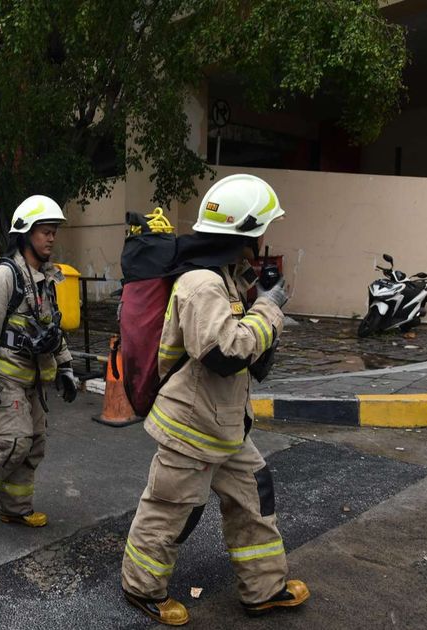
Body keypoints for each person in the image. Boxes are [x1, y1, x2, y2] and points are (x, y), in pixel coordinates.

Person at [119, 174, 307, 626]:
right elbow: (224, 352)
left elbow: (250, 357)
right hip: (191, 427)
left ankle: (263, 589)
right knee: (170, 510)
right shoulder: (201, 283)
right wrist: (270, 309)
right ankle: (141, 588)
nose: (265, 239)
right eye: (262, 229)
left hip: (224, 423)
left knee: (253, 498)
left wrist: (260, 307)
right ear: (245, 231)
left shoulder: (225, 275)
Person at [0, 195, 80, 528]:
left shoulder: (46, 279)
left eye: (53, 231)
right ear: (25, 234)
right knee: (13, 441)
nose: (51, 238)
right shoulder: (4, 277)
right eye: (44, 231)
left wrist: (66, 368)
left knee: (35, 444)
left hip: (35, 378)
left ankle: (15, 507)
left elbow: (52, 327)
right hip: (4, 378)